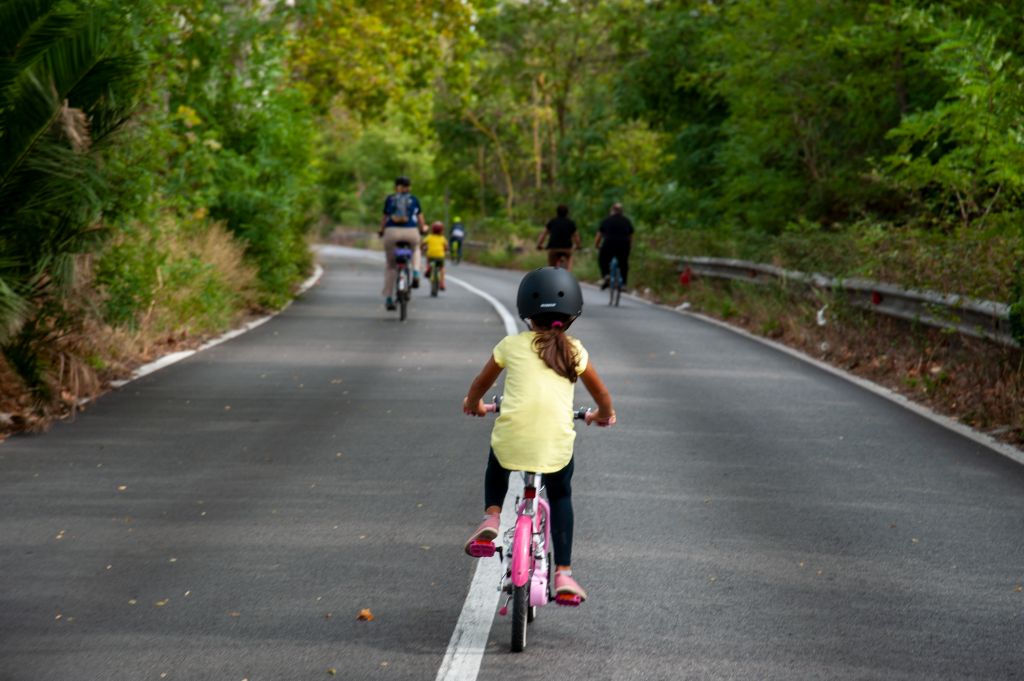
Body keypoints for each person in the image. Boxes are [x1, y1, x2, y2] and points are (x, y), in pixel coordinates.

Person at [462, 267, 616, 602]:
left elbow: (481, 384)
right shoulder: (574, 351)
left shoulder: (511, 345)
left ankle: (492, 516)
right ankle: (563, 573)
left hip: (512, 440)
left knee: (498, 458)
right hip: (554, 446)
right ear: (573, 314)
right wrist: (601, 415)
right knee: (560, 494)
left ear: (526, 312)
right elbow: (602, 397)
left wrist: (474, 404)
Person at [380, 176, 427, 310]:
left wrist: (381, 230)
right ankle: (416, 272)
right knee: (416, 249)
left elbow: (384, 218)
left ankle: (389, 298)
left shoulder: (390, 199)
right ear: (409, 187)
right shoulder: (414, 200)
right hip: (411, 232)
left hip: (392, 233)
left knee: (391, 266)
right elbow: (420, 219)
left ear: (396, 187)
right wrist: (423, 229)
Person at [596, 202, 634, 289]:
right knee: (624, 263)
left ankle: (606, 275)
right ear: (622, 211)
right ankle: (624, 283)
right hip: (624, 245)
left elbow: (599, 235)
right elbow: (631, 236)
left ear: (612, 210)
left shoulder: (606, 220)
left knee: (603, 259)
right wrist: (630, 246)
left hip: (609, 244)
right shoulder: (626, 221)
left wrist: (597, 245)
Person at [536, 204, 581, 270]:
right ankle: (568, 272)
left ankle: (552, 273)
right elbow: (576, 236)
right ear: (567, 213)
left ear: (557, 212)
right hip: (566, 249)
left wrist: (539, 245)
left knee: (551, 267)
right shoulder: (570, 223)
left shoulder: (552, 222)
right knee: (570, 257)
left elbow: (544, 234)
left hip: (554, 248)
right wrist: (578, 246)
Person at [421, 221, 448, 291]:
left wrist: (422, 248)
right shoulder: (442, 238)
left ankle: (428, 268)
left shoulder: (429, 237)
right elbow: (446, 247)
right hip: (440, 256)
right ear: (442, 230)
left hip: (431, 256)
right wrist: (445, 250)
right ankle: (442, 283)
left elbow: (423, 243)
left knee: (428, 259)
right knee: (442, 268)